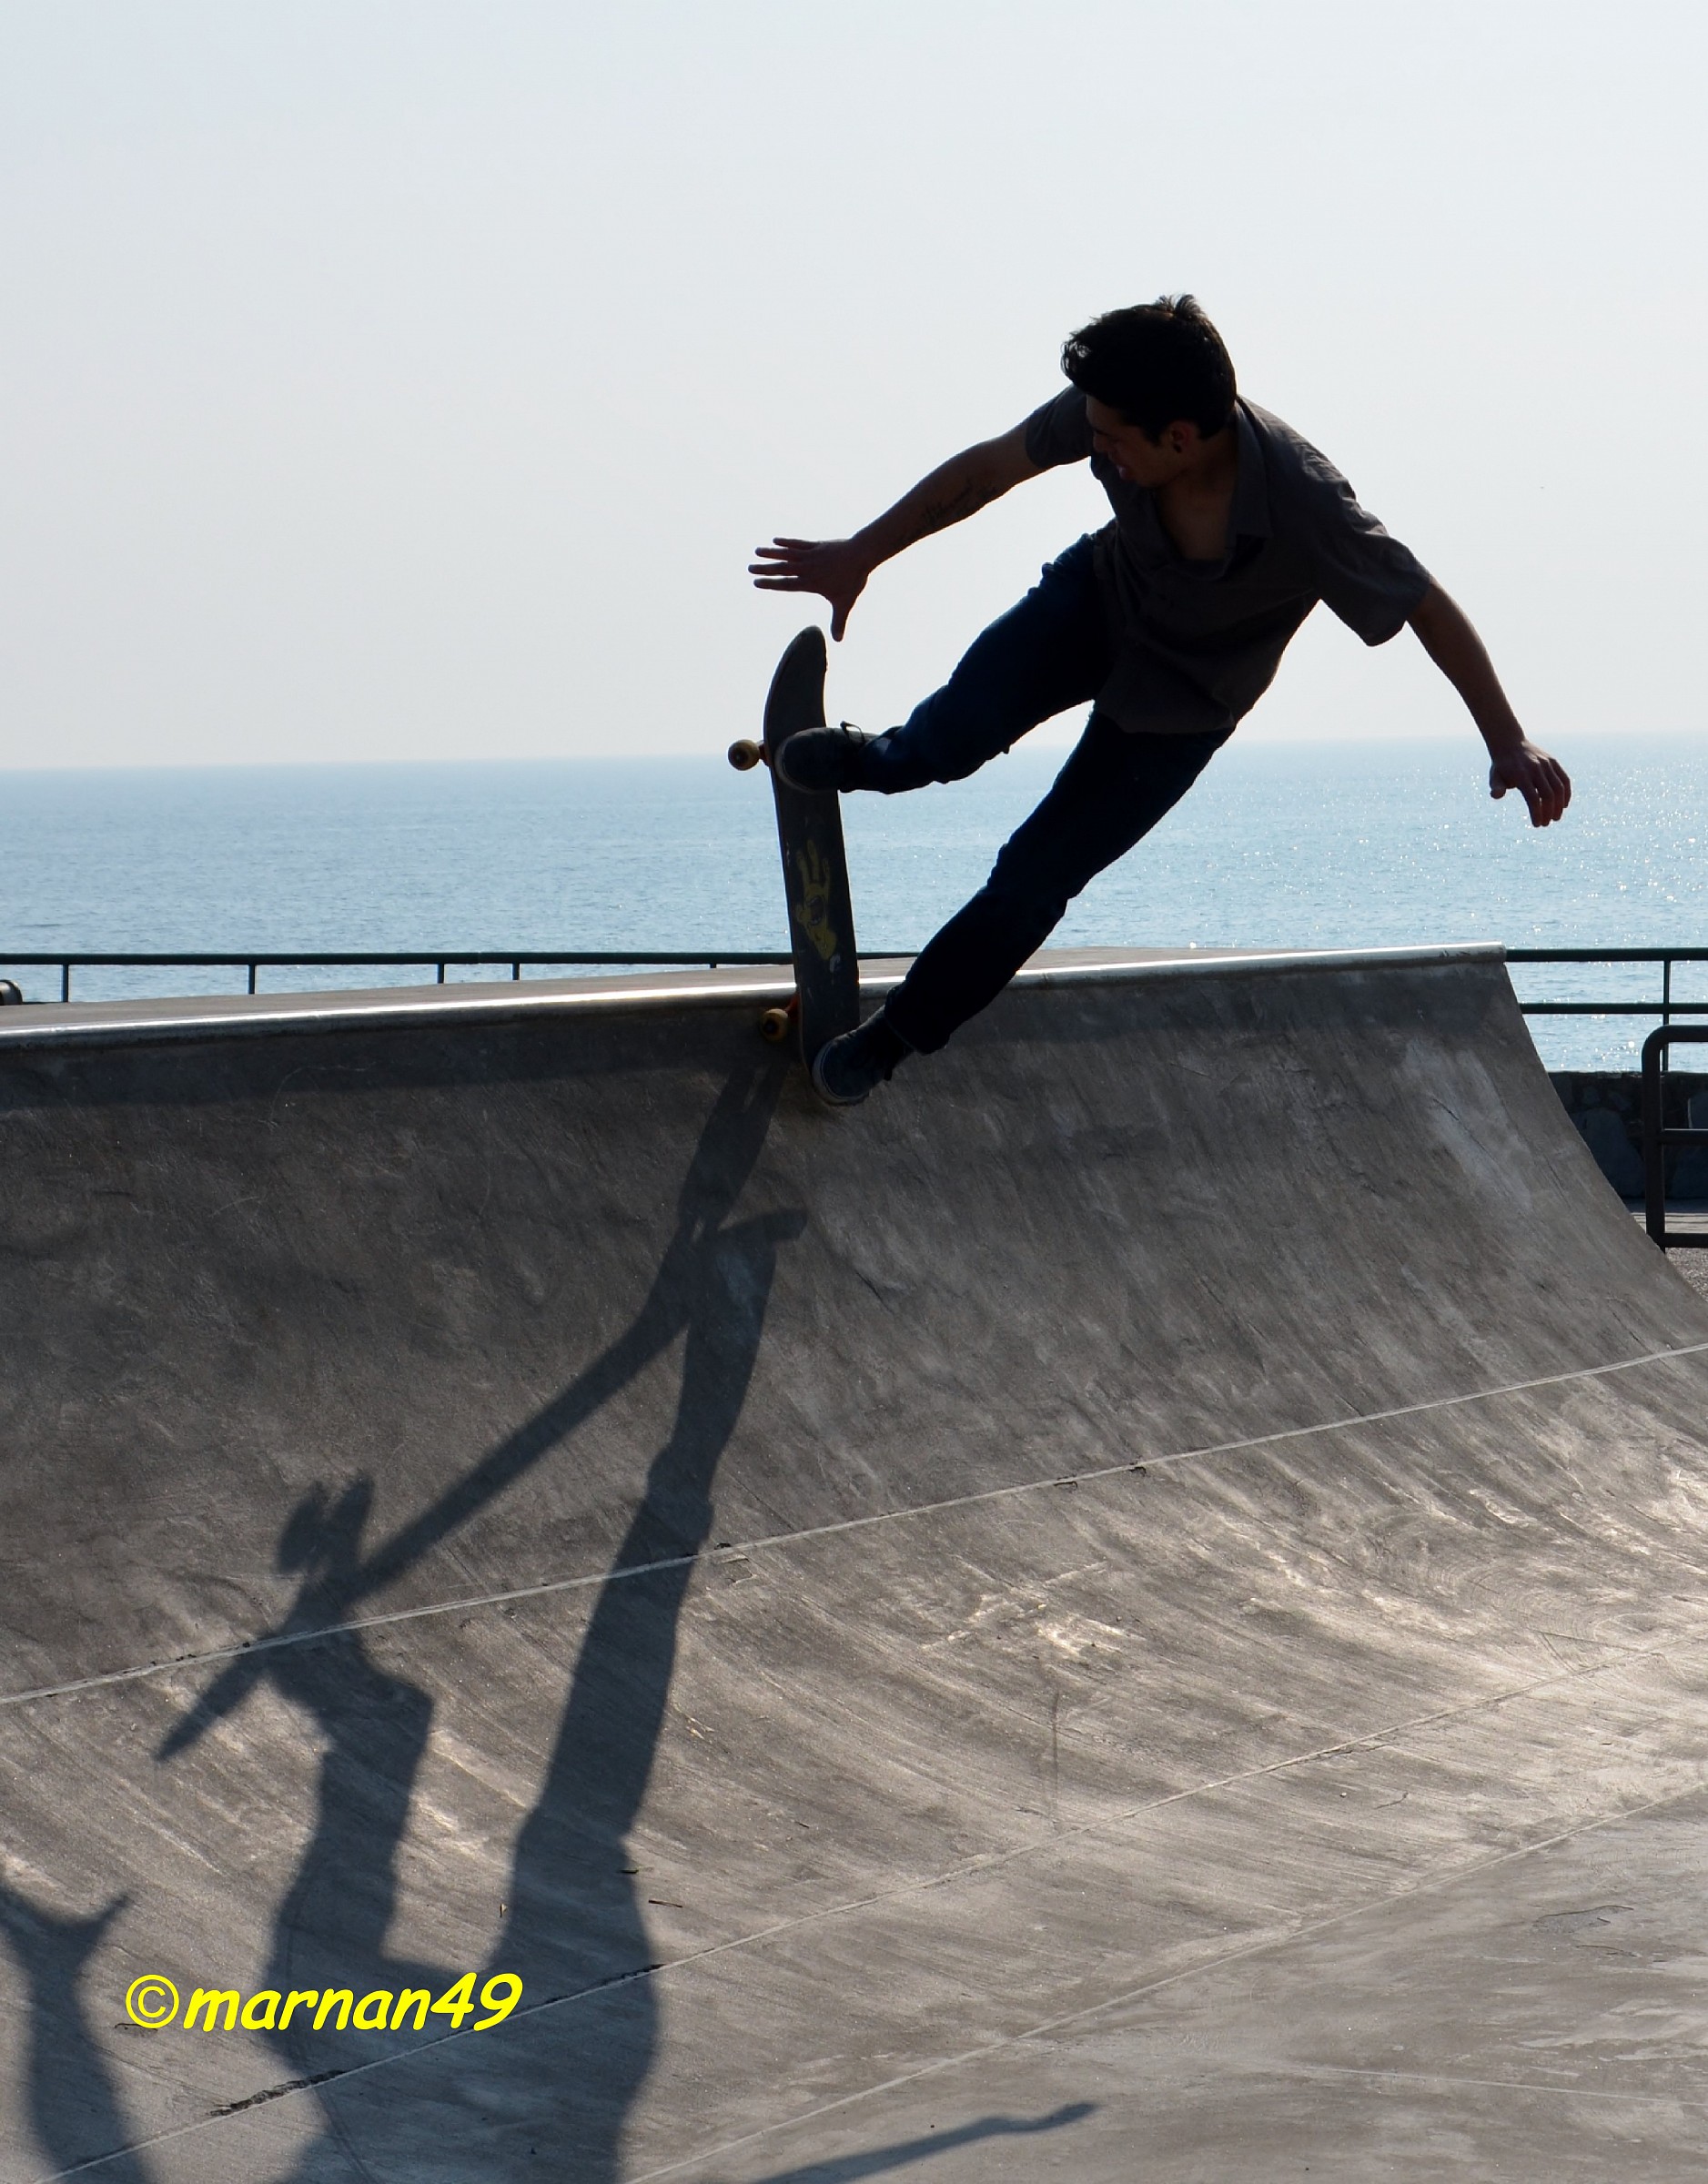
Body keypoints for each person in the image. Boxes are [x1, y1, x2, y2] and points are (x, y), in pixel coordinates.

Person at [750, 296, 1571, 1105]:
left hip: (1183, 706)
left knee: (1033, 877)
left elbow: (1425, 605)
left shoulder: (1309, 506)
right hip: (1099, 598)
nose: (1095, 447)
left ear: (1179, 437)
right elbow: (990, 468)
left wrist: (1507, 740)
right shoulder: (1117, 406)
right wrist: (862, 551)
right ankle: (877, 759)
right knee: (948, 739)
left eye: (1110, 441)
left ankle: (892, 1039)